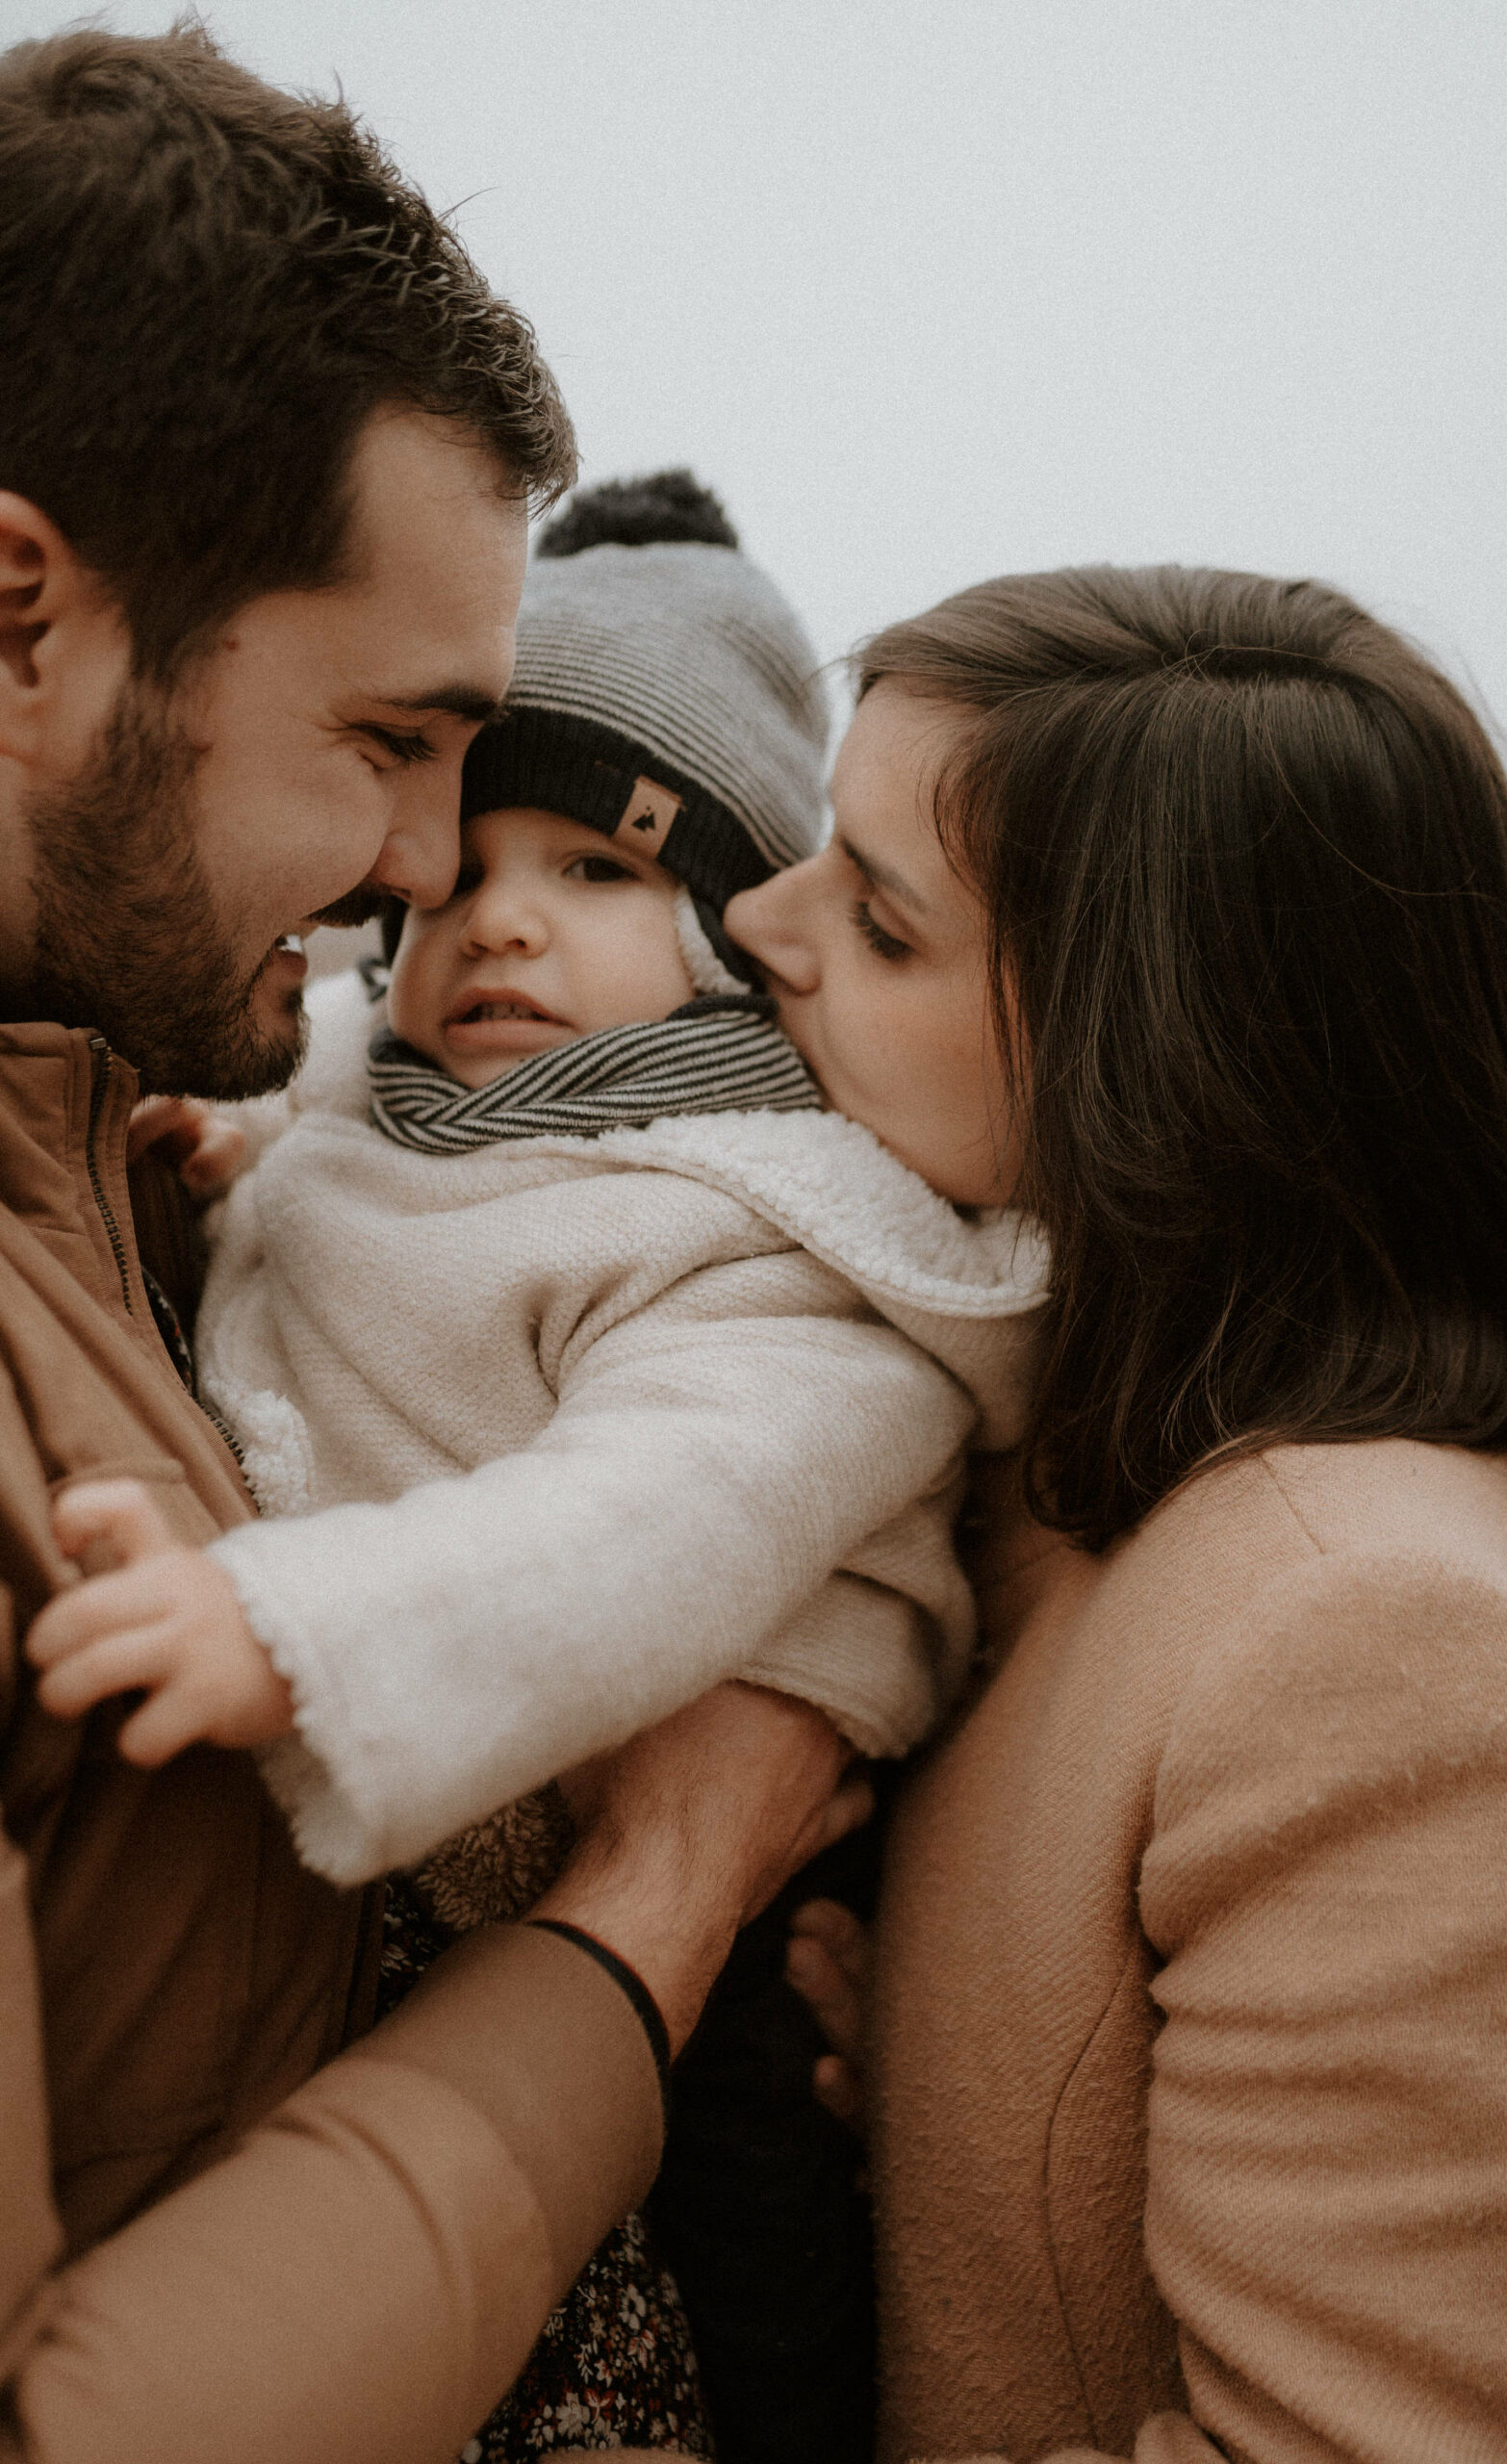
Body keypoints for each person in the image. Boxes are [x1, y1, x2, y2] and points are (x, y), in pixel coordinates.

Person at [0, 25, 861, 2461]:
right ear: (21, 615)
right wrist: (658, 1905)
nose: (420, 874)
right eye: (392, 745)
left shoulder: (126, 1128)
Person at [30, 470, 1045, 2463]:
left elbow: (633, 1526)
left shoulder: (767, 1247)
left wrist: (290, 1626)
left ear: (743, 937)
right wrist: (216, 1189)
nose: (494, 912)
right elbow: (339, 1178)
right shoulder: (389, 1103)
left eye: (593, 869)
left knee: (683, 2320)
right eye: (450, 874)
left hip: (700, 1881)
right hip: (434, 1861)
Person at [727, 564, 1507, 2460]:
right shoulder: (1039, 1472)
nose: (752, 920)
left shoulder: (1379, 1643)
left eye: (879, 921)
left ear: (1152, 1070)